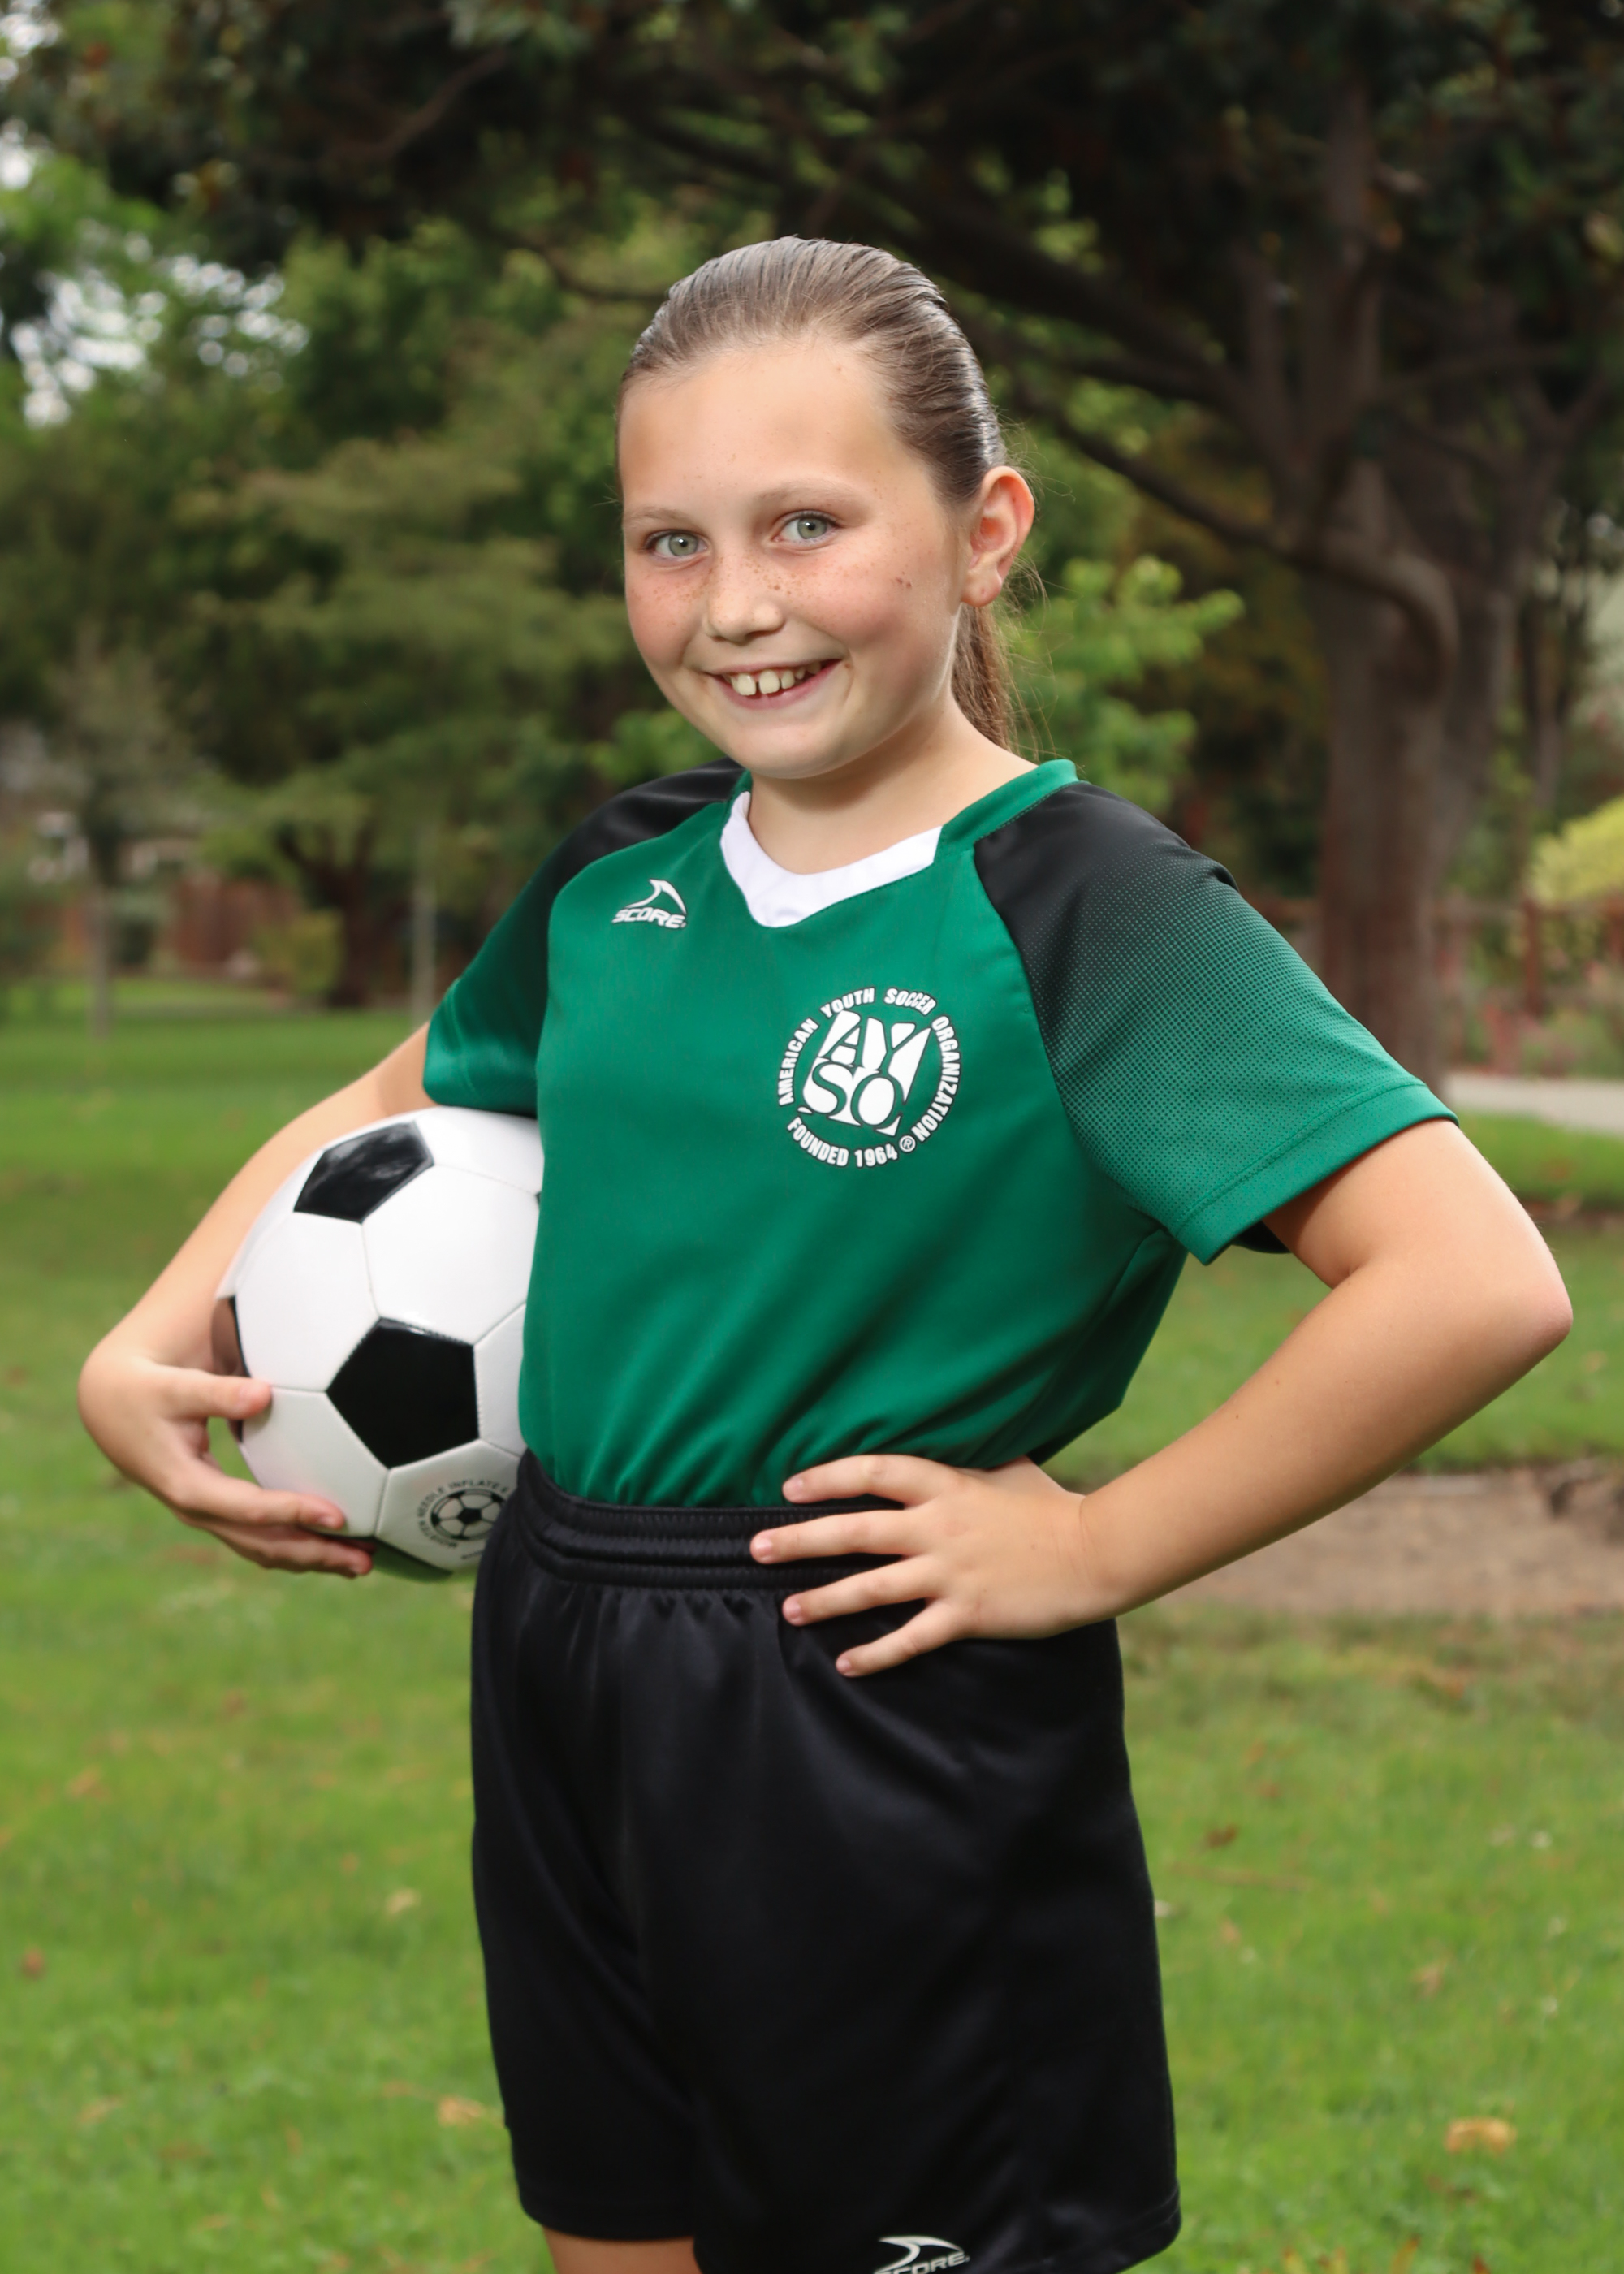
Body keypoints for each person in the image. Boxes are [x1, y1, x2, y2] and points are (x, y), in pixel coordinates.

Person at [79, 238, 1570, 2274]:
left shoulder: (1081, 906)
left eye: (806, 524)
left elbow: (1470, 1276)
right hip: (565, 1646)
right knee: (617, 2225)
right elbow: (377, 1102)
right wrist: (144, 1341)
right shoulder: (623, 874)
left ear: (984, 532)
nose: (736, 604)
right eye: (670, 542)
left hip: (872, 1692)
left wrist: (1098, 1540)